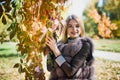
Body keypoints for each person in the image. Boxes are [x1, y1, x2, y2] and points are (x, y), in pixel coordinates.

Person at [46, 14, 95, 80]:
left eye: (77, 26)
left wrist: (56, 51)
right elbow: (49, 68)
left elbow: (70, 72)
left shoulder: (85, 45)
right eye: (70, 26)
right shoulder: (59, 45)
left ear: (81, 28)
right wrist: (50, 49)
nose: (74, 29)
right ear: (66, 29)